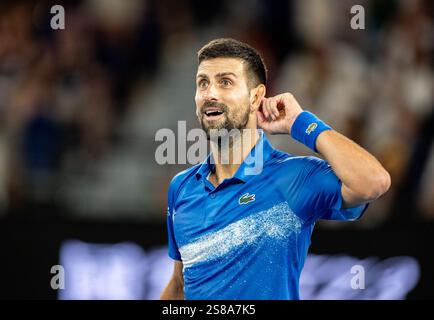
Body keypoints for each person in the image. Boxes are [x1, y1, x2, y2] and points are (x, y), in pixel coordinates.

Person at [160, 38, 391, 300]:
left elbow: (374, 182)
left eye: (225, 82)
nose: (210, 93)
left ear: (256, 96)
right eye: (203, 83)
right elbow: (180, 284)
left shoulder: (293, 177)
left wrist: (301, 123)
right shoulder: (181, 187)